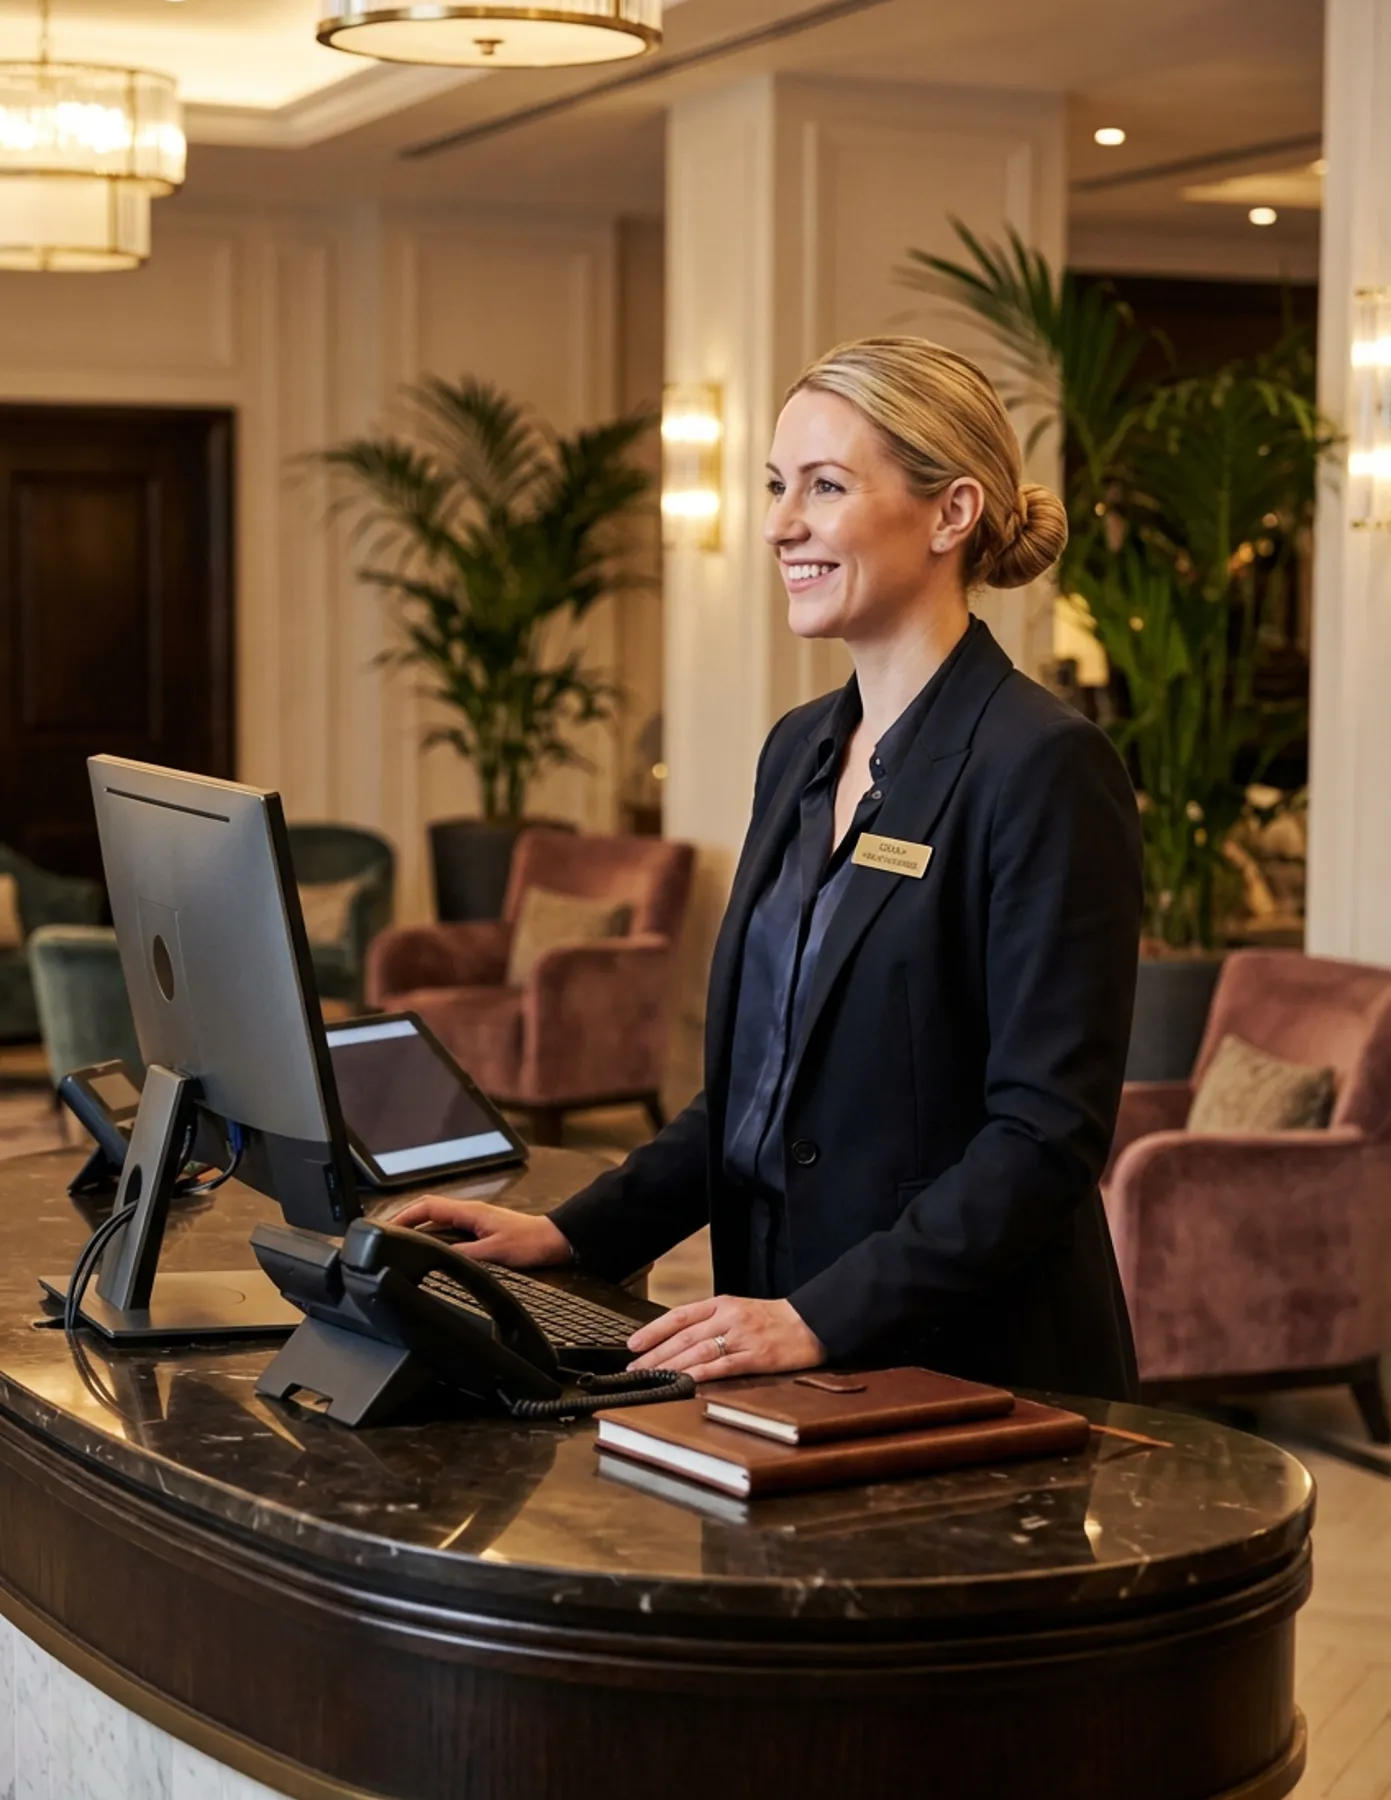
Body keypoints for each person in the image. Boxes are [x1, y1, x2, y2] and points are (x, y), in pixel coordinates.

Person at [394, 335, 1144, 1401]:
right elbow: (750, 1095)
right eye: (775, 486)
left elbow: (1042, 1142)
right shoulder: (796, 748)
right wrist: (570, 1234)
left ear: (951, 512)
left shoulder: (1045, 768)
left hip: (970, 1371)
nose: (779, 523)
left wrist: (815, 1318)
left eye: (825, 486)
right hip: (774, 1348)